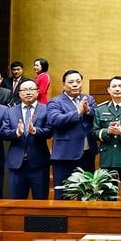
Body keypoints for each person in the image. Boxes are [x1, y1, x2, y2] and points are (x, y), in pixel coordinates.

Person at [47, 69, 97, 198]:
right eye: (71, 82)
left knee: (88, 193)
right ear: (64, 84)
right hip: (65, 156)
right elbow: (55, 120)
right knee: (63, 194)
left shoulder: (89, 99)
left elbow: (97, 116)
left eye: (78, 81)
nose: (75, 84)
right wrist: (78, 112)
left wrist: (87, 110)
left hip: (87, 155)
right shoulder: (55, 101)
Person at [3, 79, 52, 199]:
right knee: (16, 202)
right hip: (17, 165)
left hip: (39, 164)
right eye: (24, 90)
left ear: (37, 92)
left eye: (31, 89)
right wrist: (16, 132)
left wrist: (35, 131)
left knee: (40, 201)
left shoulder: (46, 109)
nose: (28, 92)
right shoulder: (10, 111)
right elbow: (4, 133)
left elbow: (50, 131)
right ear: (19, 93)